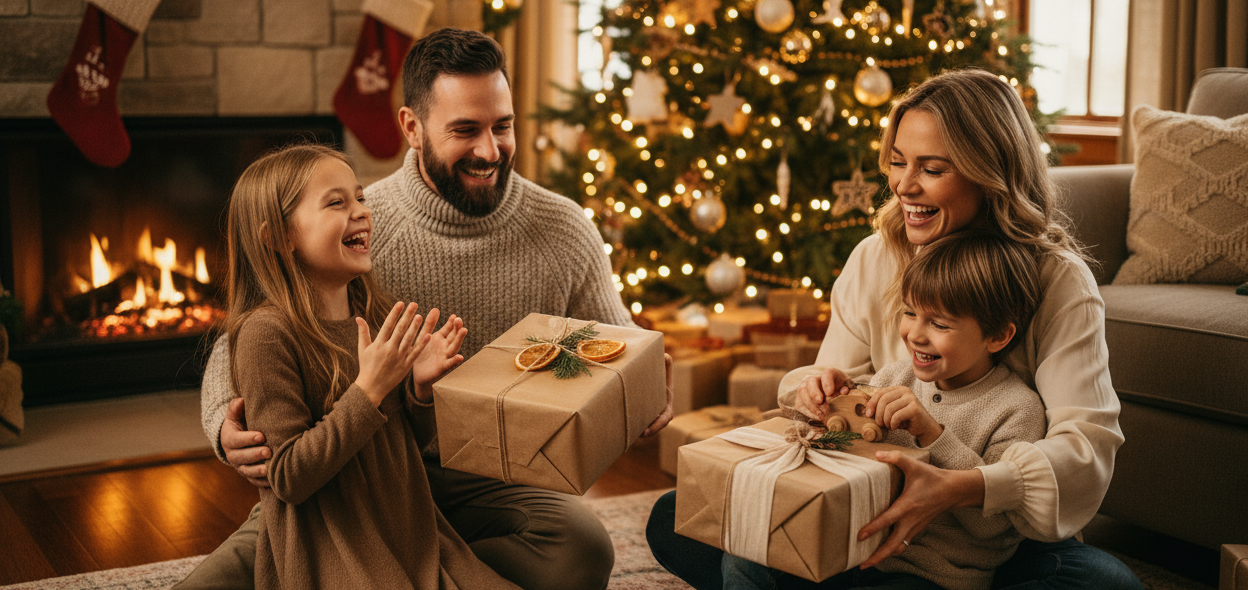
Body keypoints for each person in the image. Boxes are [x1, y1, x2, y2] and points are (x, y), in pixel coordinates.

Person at [179, 28, 674, 590]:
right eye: (465, 130)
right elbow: (253, 332)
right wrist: (225, 421)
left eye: (502, 126)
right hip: (345, 470)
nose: (490, 151)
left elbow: (611, 338)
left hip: (482, 476)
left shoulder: (562, 228)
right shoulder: (358, 230)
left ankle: (424, 562)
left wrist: (645, 381)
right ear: (412, 127)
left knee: (581, 549)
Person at [647, 68, 1143, 590]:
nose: (904, 186)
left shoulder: (1058, 279)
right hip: (870, 510)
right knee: (679, 515)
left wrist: (960, 486)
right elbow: (836, 384)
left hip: (992, 535)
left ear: (988, 173)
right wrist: (821, 392)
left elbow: (1083, 446)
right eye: (898, 162)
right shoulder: (876, 257)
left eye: (931, 168)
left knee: (1107, 585)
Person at [220, 144, 517, 589]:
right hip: (336, 548)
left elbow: (400, 443)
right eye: (336, 203)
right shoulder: (266, 333)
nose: (360, 211)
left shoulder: (371, 311)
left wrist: (418, 390)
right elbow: (287, 477)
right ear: (279, 238)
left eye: (360, 197)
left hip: (407, 528)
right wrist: (369, 389)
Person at [722, 229, 1047, 590]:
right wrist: (828, 403)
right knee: (741, 544)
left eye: (939, 324)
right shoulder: (895, 375)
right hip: (859, 554)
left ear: (998, 336)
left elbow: (992, 525)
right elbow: (848, 448)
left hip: (934, 577)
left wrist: (932, 433)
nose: (915, 335)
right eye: (910, 313)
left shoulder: (1018, 409)